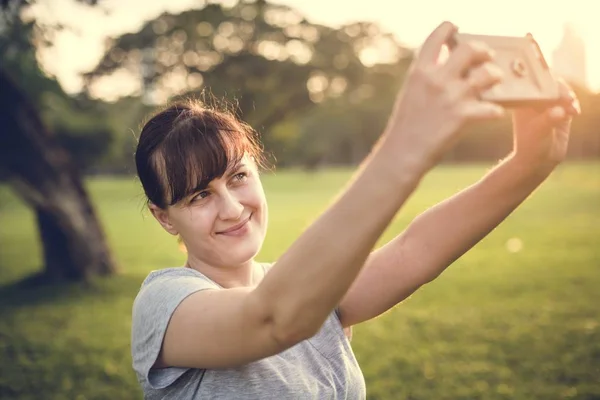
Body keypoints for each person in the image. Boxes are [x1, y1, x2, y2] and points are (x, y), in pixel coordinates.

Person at [130, 21, 580, 399]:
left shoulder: (307, 283)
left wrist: (529, 164)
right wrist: (409, 141)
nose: (231, 209)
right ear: (164, 216)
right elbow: (271, 319)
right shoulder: (165, 304)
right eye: (199, 196)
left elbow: (414, 252)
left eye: (238, 177)